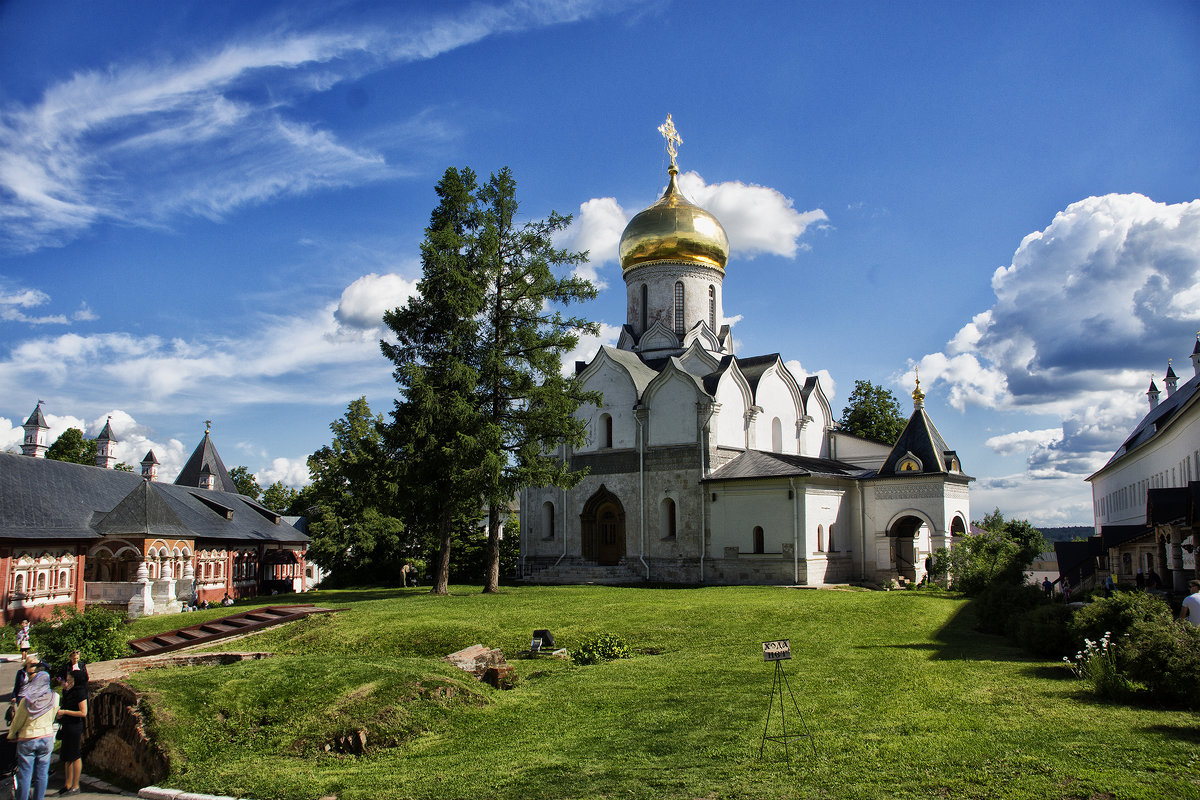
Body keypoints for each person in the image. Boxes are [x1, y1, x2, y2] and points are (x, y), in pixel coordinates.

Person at [6, 670, 58, 800]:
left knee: (25, 774)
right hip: (46, 737)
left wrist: (12, 734)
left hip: (28, 737)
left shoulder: (27, 700)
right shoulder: (55, 697)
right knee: (42, 774)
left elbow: (18, 720)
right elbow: (53, 715)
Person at [55, 672, 88, 796]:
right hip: (67, 725)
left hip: (75, 726)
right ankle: (67, 785)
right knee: (66, 756)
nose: (67, 680)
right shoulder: (69, 691)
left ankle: (76, 785)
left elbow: (83, 713)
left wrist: (65, 712)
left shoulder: (80, 692)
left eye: (70, 678)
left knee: (74, 755)